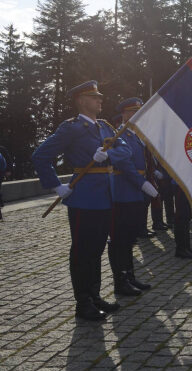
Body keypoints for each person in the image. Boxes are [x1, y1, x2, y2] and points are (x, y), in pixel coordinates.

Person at [32, 81, 130, 321]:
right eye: (94, 97)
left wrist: (108, 154)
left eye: (99, 96)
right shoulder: (71, 129)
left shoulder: (106, 126)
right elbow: (40, 156)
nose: (100, 100)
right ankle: (82, 303)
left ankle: (94, 296)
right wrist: (56, 185)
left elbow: (125, 150)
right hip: (83, 198)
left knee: (96, 250)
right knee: (82, 251)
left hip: (106, 196)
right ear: (81, 101)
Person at [108, 97, 159, 296]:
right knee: (119, 239)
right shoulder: (118, 135)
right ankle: (120, 281)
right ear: (125, 115)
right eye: (135, 113)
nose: (139, 116)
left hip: (135, 192)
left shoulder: (135, 136)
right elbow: (125, 166)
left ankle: (129, 275)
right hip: (122, 193)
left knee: (129, 239)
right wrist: (143, 184)